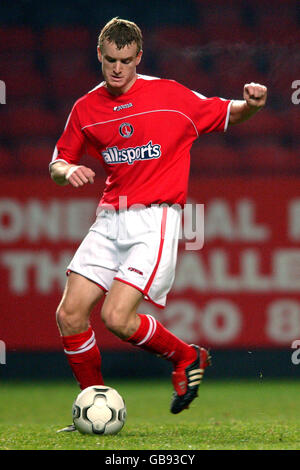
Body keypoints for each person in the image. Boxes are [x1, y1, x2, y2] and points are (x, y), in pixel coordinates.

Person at [50, 18, 267, 431]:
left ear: (139, 58)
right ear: (100, 55)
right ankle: (90, 405)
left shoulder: (170, 96)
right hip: (110, 216)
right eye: (111, 60)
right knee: (70, 314)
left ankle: (187, 356)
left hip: (155, 218)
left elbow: (225, 112)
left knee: (116, 318)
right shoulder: (86, 108)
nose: (117, 69)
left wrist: (251, 105)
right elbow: (59, 160)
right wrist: (65, 172)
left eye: (126, 61)